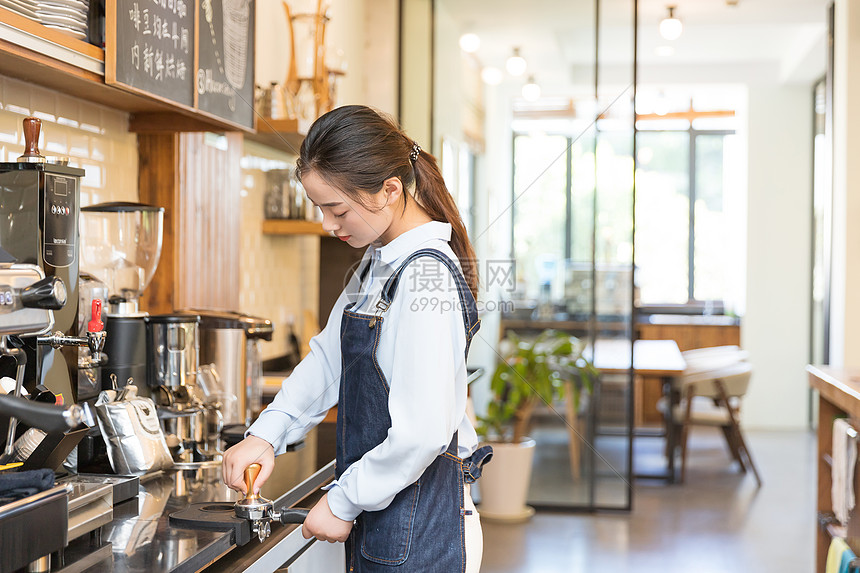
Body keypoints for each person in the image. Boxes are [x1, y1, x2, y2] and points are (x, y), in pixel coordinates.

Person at [221, 104, 493, 572]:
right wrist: (267, 434)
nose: (327, 223)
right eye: (320, 208)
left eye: (337, 208)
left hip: (423, 527)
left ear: (390, 190)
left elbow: (424, 430)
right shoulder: (379, 261)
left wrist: (344, 500)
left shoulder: (424, 272)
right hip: (391, 524)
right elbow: (331, 359)